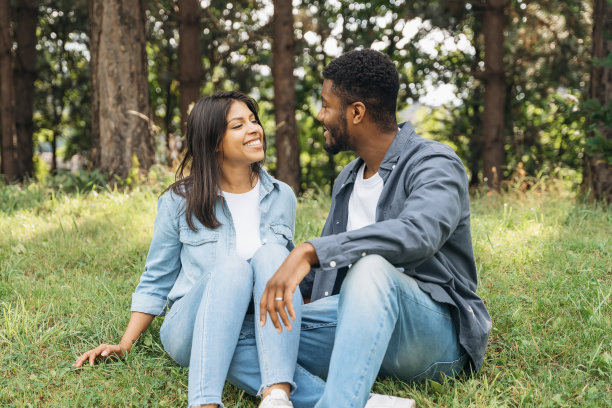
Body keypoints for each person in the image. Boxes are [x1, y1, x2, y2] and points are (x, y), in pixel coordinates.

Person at [258, 49, 492, 407]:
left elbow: (418, 233)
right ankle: (366, 402)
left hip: (430, 333)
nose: (320, 115)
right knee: (251, 337)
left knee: (370, 268)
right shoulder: (348, 179)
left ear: (356, 112)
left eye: (326, 105)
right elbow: (320, 279)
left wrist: (313, 250)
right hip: (354, 324)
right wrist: (262, 288)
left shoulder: (435, 163)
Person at [74, 91, 301, 408]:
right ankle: (204, 403)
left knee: (275, 257)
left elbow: (278, 282)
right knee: (234, 268)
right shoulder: (178, 202)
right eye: (238, 125)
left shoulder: (282, 196)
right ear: (214, 141)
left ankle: (277, 396)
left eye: (253, 120)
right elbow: (157, 277)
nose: (254, 129)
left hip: (251, 324)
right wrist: (125, 344)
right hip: (190, 326)